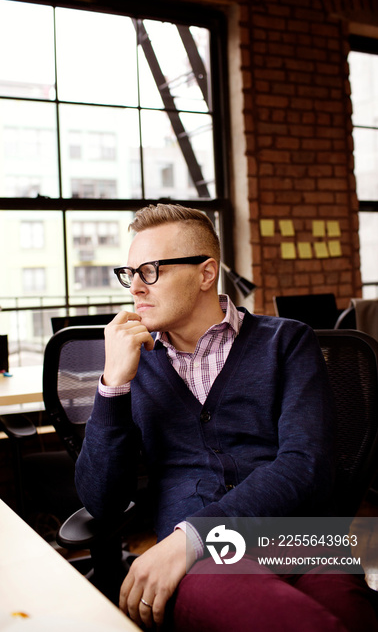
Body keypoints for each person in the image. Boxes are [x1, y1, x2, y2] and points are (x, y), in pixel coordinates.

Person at [75, 203, 378, 631]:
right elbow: (101, 501)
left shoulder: (288, 342)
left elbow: (305, 465)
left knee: (351, 616)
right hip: (201, 562)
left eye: (150, 271)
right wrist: (112, 384)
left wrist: (190, 536)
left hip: (300, 540)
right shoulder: (134, 366)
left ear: (205, 273)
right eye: (130, 274)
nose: (135, 289)